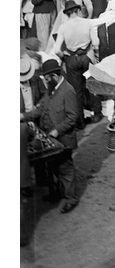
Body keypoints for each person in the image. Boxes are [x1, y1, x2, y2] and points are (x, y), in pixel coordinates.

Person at [21, 57, 82, 213]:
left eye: (48, 78)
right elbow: (40, 109)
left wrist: (57, 130)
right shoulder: (51, 88)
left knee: (65, 169)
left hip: (64, 139)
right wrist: (23, 116)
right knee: (53, 167)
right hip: (51, 138)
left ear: (55, 75)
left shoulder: (68, 90)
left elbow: (72, 117)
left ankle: (71, 199)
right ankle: (57, 192)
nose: (46, 81)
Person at [49, 1, 103, 122]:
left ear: (67, 14)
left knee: (76, 90)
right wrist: (95, 53)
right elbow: (96, 42)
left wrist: (64, 57)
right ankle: (97, 113)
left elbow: (57, 50)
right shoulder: (87, 23)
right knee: (92, 85)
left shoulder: (63, 27)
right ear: (78, 11)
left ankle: (79, 120)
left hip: (72, 60)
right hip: (86, 59)